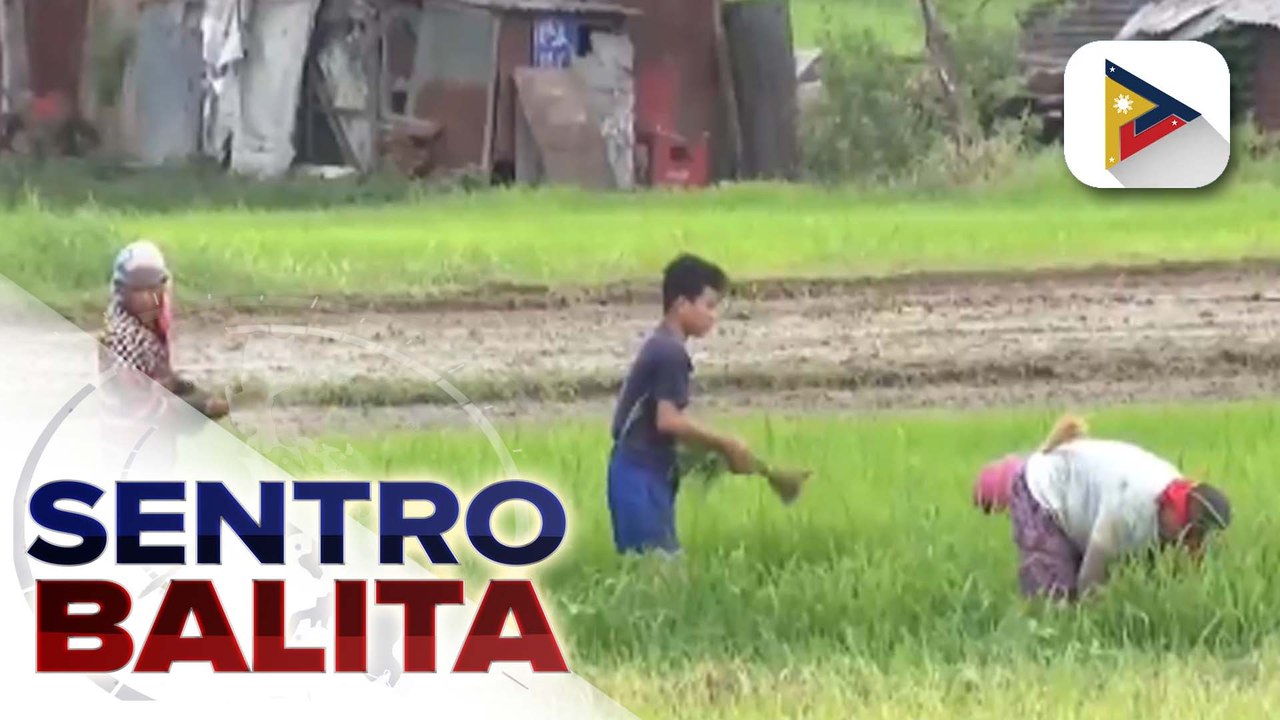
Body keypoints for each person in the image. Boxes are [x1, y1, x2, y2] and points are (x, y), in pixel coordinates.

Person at [606, 254, 806, 555]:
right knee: (657, 573)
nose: (713, 316)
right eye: (709, 306)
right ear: (681, 305)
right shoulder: (671, 353)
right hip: (640, 476)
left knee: (661, 573)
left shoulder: (661, 345)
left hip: (644, 472)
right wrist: (725, 444)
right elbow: (668, 421)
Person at [974, 416, 1232, 601]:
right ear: (1177, 514)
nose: (1189, 542)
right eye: (1189, 533)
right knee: (1053, 600)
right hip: (1044, 494)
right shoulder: (1131, 506)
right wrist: (1093, 614)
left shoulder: (1172, 500)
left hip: (1081, 496)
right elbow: (1091, 576)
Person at [99, 240, 229, 420]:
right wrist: (202, 408)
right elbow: (140, 407)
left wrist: (189, 390)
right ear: (122, 291)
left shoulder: (149, 325)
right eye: (137, 290)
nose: (145, 298)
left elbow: (159, 377)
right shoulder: (122, 338)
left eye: (152, 288)